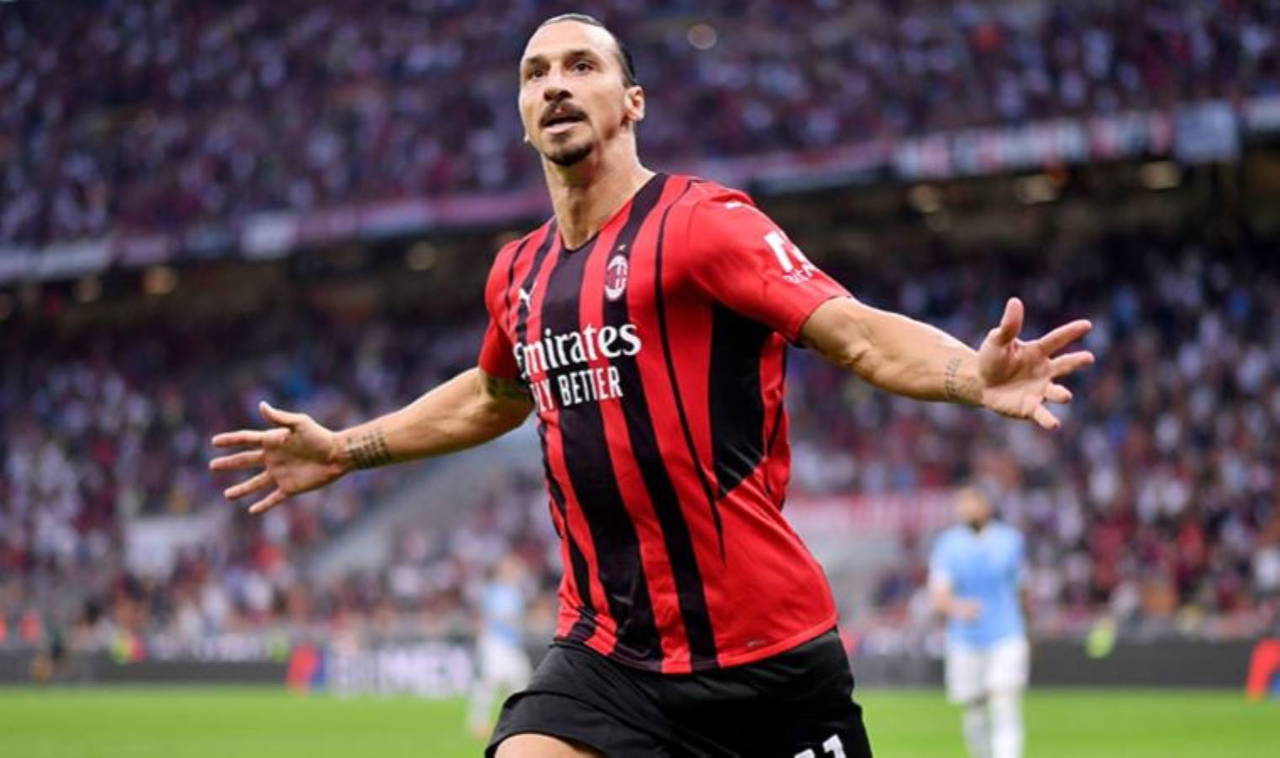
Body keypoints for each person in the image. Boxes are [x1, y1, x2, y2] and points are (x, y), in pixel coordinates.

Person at [209, 13, 1093, 757]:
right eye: (535, 74)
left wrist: (968, 376)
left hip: (763, 654)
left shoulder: (706, 226)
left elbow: (857, 335)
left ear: (632, 103)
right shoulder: (517, 274)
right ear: (521, 117)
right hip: (606, 654)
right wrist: (346, 449)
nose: (556, 85)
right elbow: (491, 397)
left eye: (581, 66)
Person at [929, 487, 1031, 758]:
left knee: (1004, 702)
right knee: (974, 710)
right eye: (962, 504)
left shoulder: (1010, 541)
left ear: (986, 506)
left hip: (1007, 633)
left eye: (972, 503)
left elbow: (1022, 589)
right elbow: (939, 595)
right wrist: (958, 607)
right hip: (965, 638)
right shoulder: (948, 544)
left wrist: (1028, 631)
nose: (966, 509)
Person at [468, 555, 535, 738]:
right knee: (490, 681)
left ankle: (516, 721)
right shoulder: (495, 591)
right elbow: (499, 616)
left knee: (520, 681)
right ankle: (478, 722)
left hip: (512, 643)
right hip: (496, 642)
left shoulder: (514, 592)